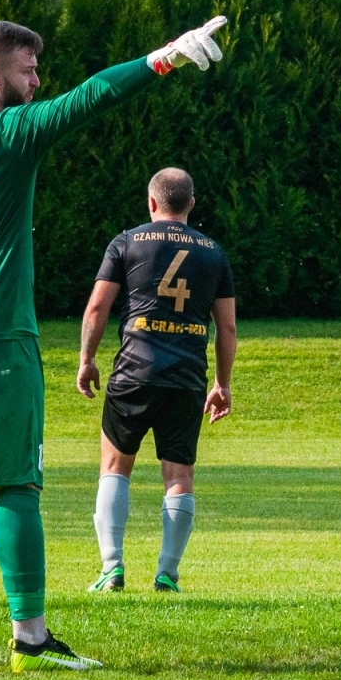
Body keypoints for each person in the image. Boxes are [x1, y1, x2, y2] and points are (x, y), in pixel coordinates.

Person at [0, 15, 228, 671]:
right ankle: (30, 638)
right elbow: (93, 96)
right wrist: (164, 57)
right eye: (27, 70)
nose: (37, 81)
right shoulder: (10, 133)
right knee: (16, 485)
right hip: (0, 339)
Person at [77, 167, 236, 594]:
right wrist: (222, 384)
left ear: (151, 203)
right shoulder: (213, 252)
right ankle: (167, 573)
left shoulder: (127, 242)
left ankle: (112, 568)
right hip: (186, 376)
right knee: (178, 474)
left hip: (134, 369)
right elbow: (228, 329)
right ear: (191, 205)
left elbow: (97, 309)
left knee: (115, 467)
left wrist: (86, 359)